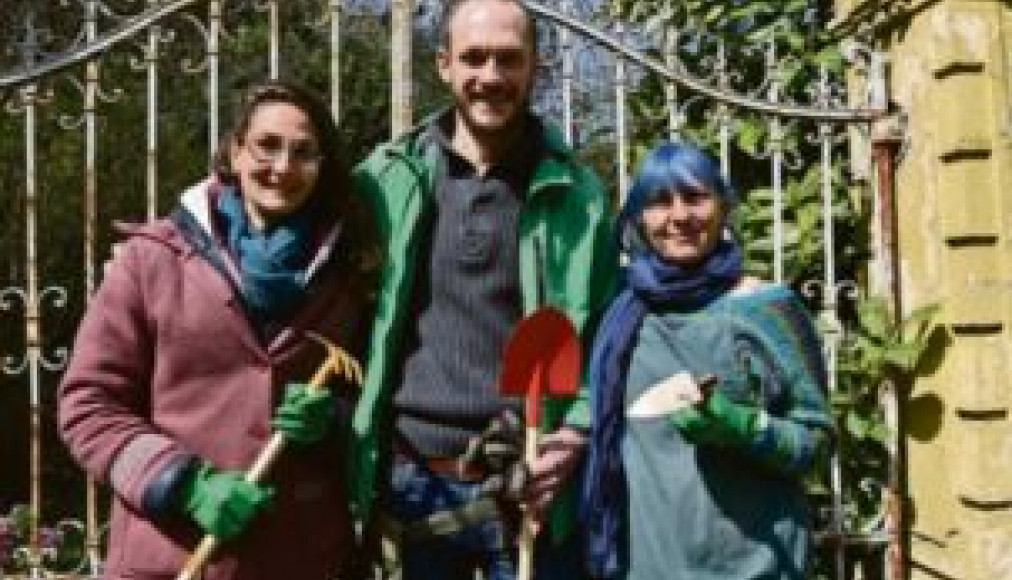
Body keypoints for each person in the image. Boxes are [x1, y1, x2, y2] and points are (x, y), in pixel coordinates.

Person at [58, 80, 376, 580]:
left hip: (299, 560)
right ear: (234, 151)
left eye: (303, 153)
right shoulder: (152, 259)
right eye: (267, 146)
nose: (283, 168)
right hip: (169, 554)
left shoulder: (345, 274)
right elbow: (88, 404)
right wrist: (182, 483)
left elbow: (373, 400)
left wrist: (332, 421)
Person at [349, 0, 618, 577]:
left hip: (526, 481)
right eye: (474, 58)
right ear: (444, 65)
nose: (490, 77)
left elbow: (607, 334)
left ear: (534, 69)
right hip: (411, 478)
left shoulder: (579, 194)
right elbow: (304, 243)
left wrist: (574, 433)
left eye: (508, 59)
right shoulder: (387, 178)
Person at [582, 141, 834, 579]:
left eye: (695, 197)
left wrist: (746, 427)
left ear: (724, 206)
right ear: (639, 217)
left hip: (757, 565)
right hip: (647, 565)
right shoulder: (621, 312)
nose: (680, 216)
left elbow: (815, 442)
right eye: (660, 202)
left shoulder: (768, 308)